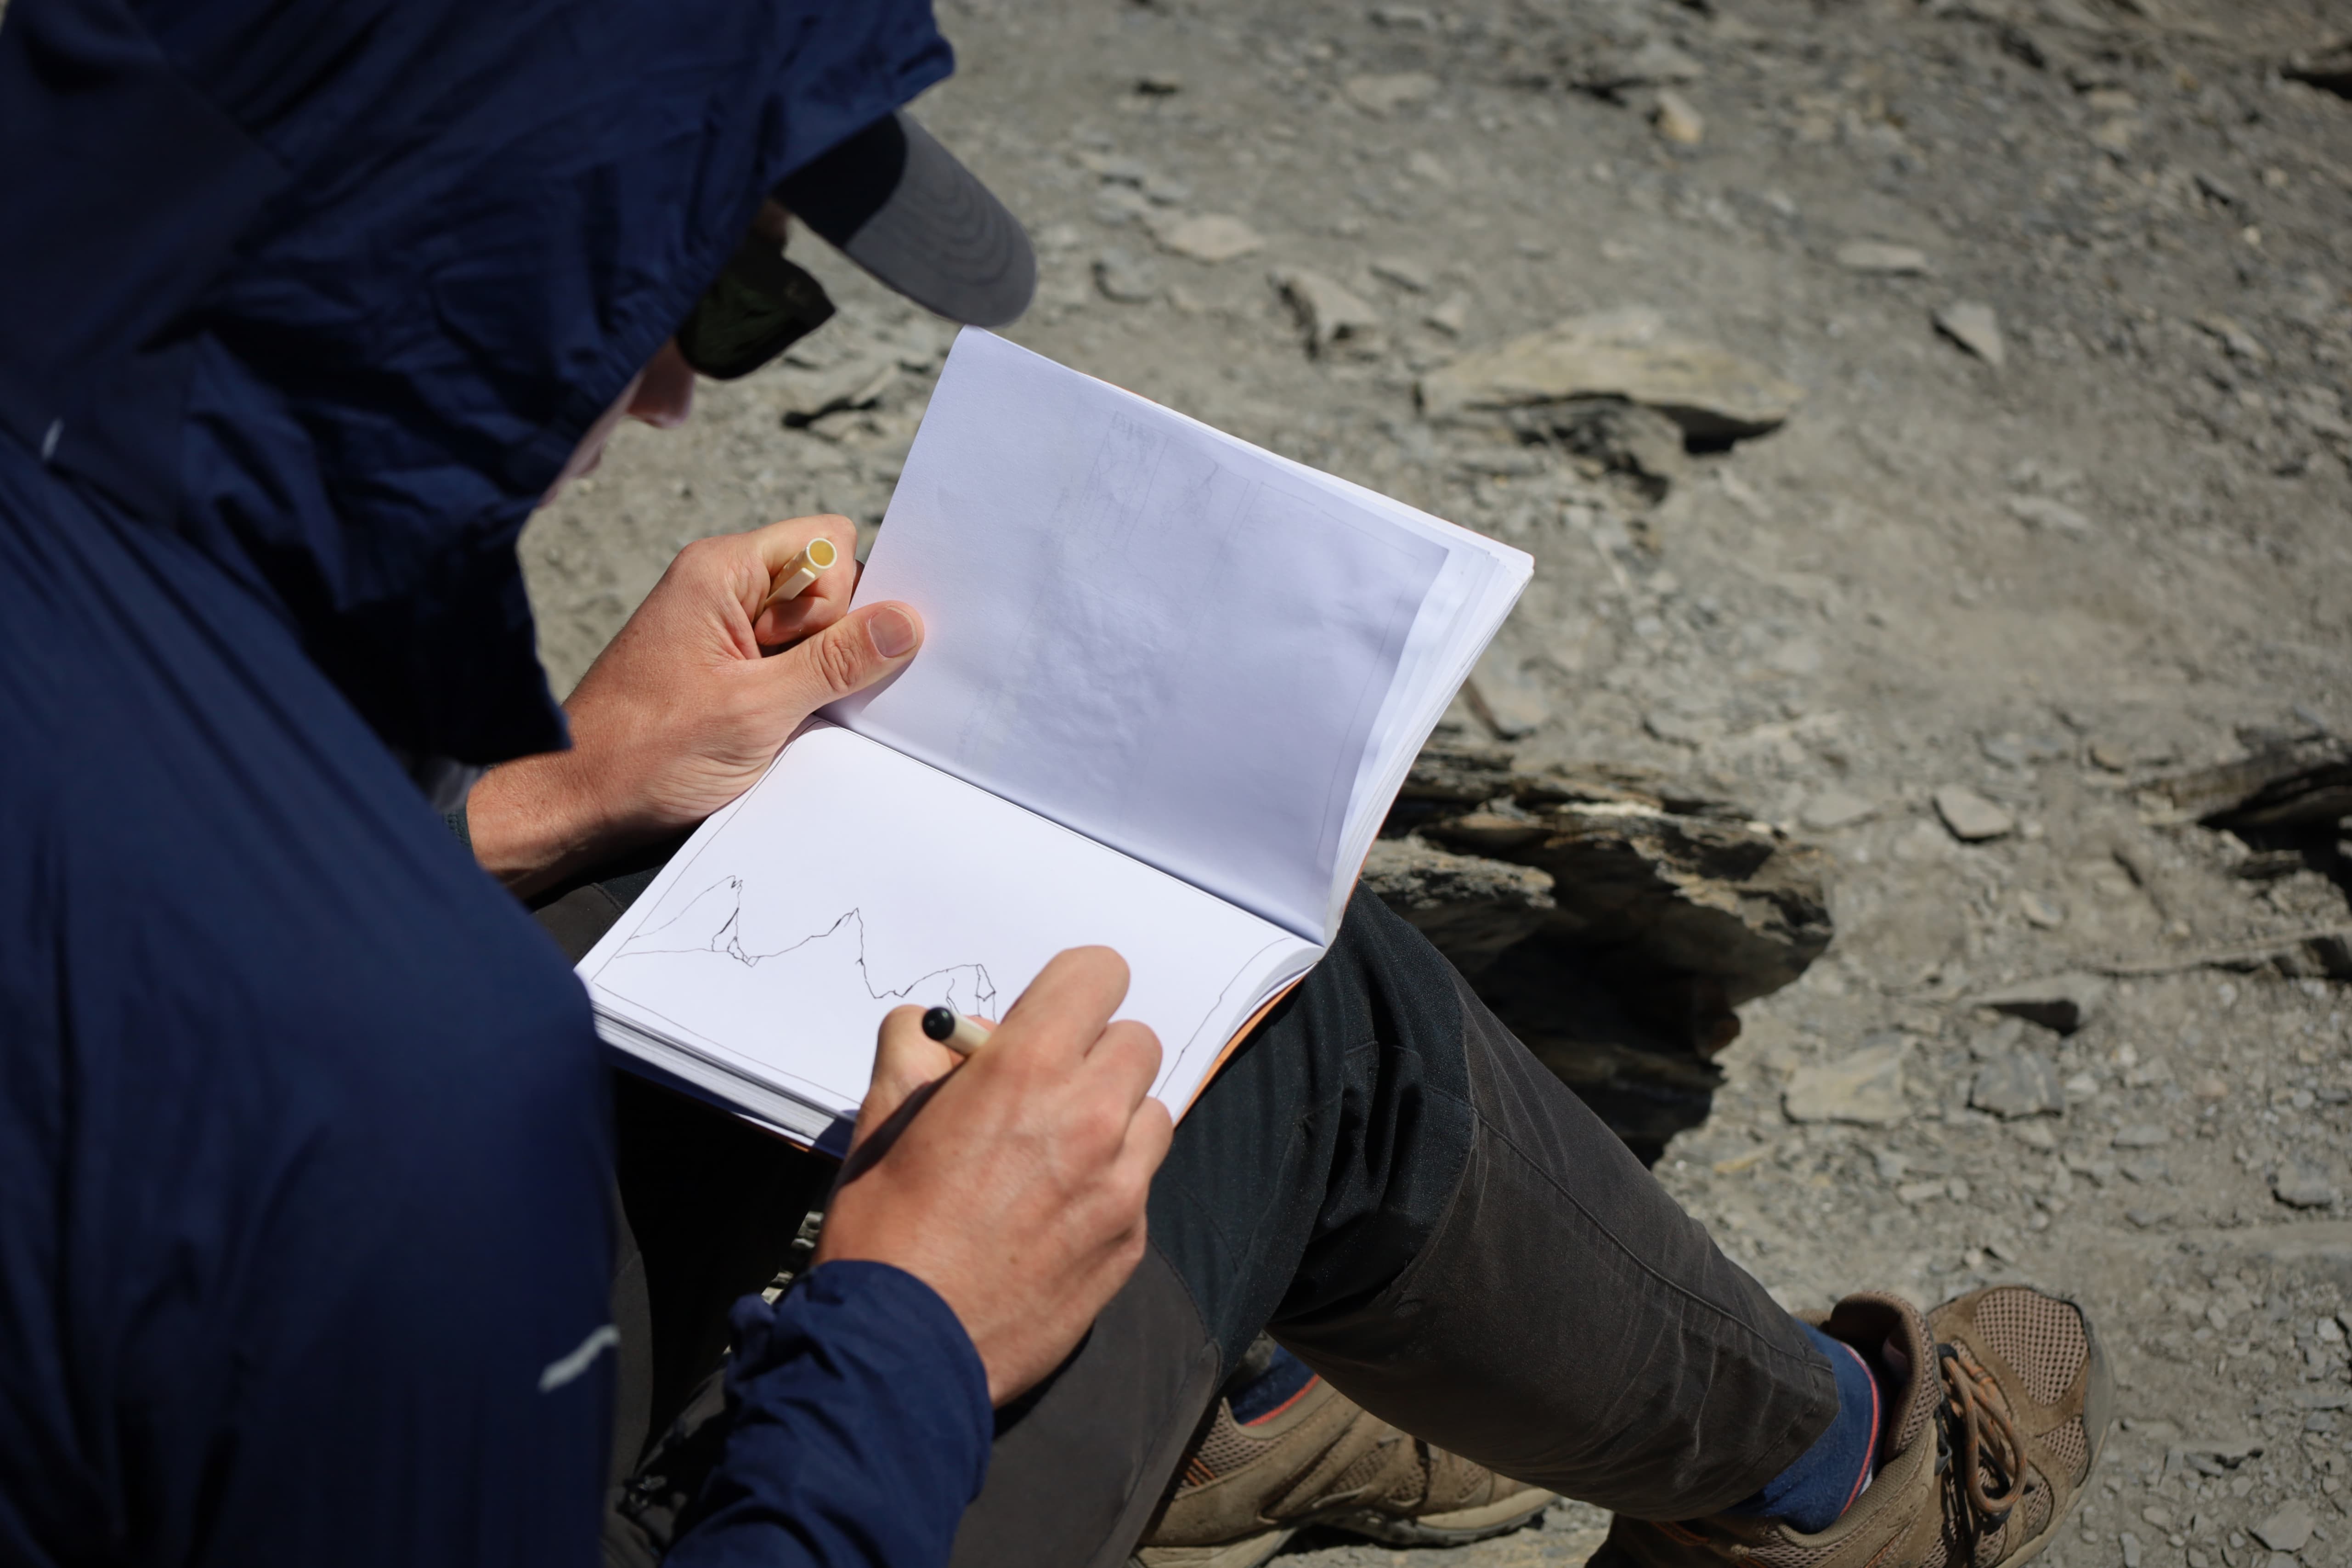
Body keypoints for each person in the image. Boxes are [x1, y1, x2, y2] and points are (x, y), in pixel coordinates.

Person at [0, 3, 2114, 1568]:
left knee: (717, 928)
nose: (666, 394)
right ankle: (1840, 1487)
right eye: (704, 282)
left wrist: (541, 798)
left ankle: (1234, 1383)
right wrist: (908, 1332)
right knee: (1286, 1033)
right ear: (473, 243)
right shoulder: (382, 1067)